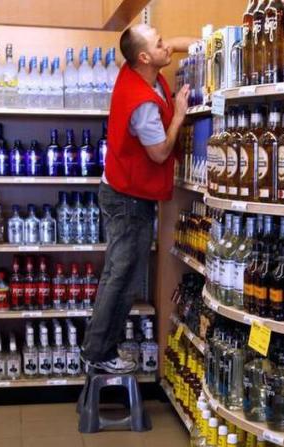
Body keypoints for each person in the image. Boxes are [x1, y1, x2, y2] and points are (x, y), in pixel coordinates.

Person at [81, 24, 197, 373]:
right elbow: (160, 153)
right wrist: (178, 115)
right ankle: (98, 352)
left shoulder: (136, 68)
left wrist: (209, 42)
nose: (168, 48)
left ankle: (100, 349)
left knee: (126, 273)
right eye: (159, 45)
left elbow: (176, 42)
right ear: (145, 57)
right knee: (120, 275)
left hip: (128, 190)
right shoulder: (143, 105)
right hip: (126, 197)